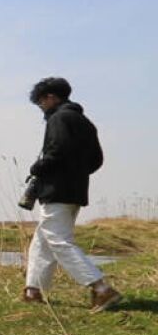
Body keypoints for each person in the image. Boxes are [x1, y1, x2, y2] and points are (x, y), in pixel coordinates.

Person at [22, 77, 122, 311]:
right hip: (74, 190)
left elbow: (56, 152)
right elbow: (96, 160)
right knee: (43, 239)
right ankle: (33, 290)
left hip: (56, 190)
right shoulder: (85, 122)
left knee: (57, 240)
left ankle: (101, 289)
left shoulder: (59, 118)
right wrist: (76, 174)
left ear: (51, 97)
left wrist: (37, 168)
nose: (41, 108)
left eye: (40, 103)